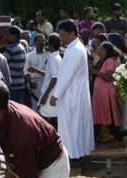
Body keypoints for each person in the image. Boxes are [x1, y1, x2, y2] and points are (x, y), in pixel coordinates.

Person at [51, 19, 94, 162]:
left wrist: (55, 95)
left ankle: (73, 154)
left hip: (72, 94)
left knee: (71, 125)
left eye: (63, 35)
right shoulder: (75, 48)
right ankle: (77, 153)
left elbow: (65, 76)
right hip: (75, 92)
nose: (61, 38)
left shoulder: (74, 50)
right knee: (76, 125)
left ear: (72, 33)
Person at [92, 42, 123, 148]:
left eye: (100, 47)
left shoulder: (110, 61)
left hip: (107, 93)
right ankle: (92, 139)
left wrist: (97, 72)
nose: (97, 49)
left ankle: (119, 139)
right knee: (99, 115)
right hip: (100, 94)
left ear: (105, 50)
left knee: (110, 116)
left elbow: (109, 77)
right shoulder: (103, 60)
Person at [38, 34, 62, 124]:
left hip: (50, 94)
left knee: (46, 120)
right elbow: (50, 75)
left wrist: (45, 95)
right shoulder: (55, 57)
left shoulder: (54, 59)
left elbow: (54, 78)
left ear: (50, 44)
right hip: (52, 93)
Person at [24, 34, 48, 112]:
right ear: (35, 43)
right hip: (35, 84)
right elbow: (26, 71)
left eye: (43, 41)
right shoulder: (29, 56)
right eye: (39, 41)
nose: (41, 42)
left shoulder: (49, 55)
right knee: (35, 107)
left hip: (47, 83)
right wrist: (29, 81)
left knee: (46, 107)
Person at [4, 26, 27, 103]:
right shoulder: (21, 47)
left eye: (8, 35)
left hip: (12, 85)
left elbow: (1, 62)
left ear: (15, 36)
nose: (6, 37)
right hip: (20, 84)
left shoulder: (11, 49)